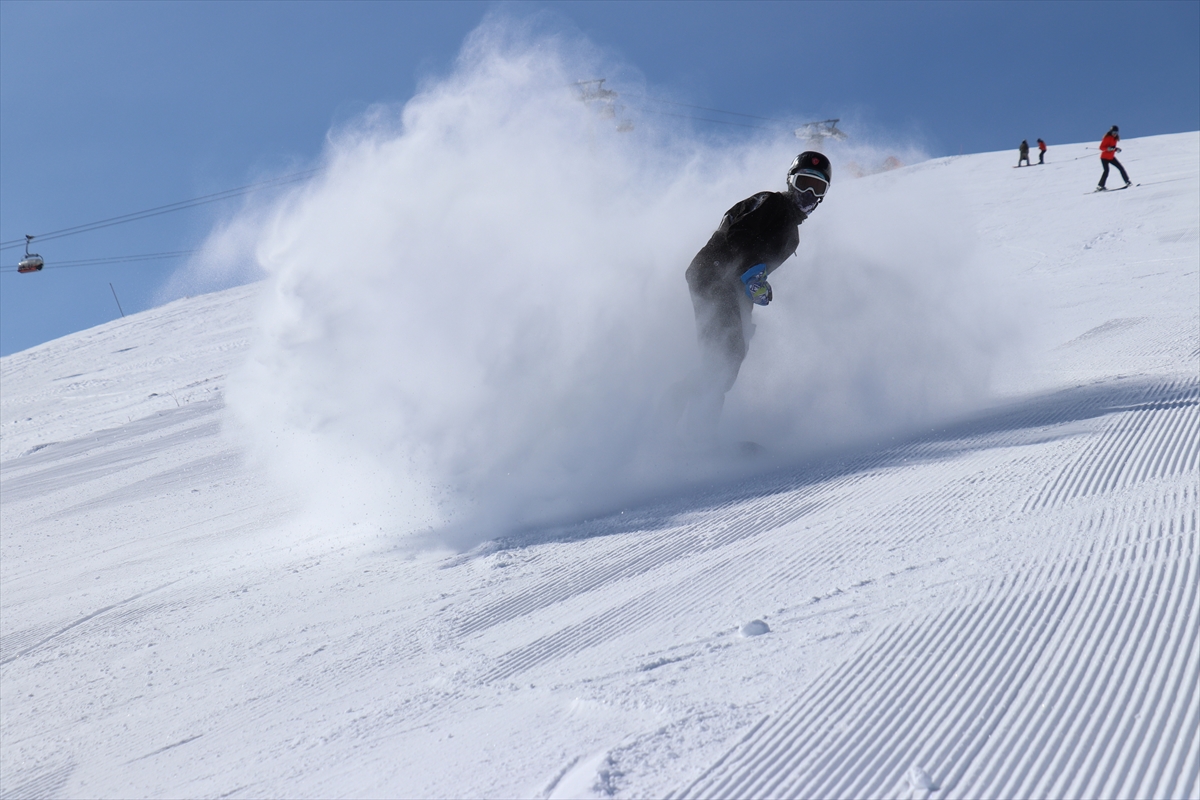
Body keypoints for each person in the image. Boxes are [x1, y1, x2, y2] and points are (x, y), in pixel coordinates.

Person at [676, 151, 831, 435]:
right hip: (713, 275)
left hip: (727, 286)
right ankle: (694, 434)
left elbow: (755, 274)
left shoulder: (792, 235)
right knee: (722, 360)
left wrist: (750, 301)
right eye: (803, 183)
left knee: (730, 358)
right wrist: (751, 273)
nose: (808, 193)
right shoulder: (771, 203)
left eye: (817, 187)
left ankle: (686, 423)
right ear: (790, 182)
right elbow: (737, 232)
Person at [1097, 125, 1131, 190]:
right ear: (1111, 132)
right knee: (1106, 171)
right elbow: (1101, 147)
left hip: (1111, 157)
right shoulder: (1107, 138)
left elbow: (1113, 147)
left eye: (1116, 132)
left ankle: (1127, 182)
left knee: (1121, 168)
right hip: (1104, 157)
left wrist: (1116, 149)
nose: (1115, 134)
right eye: (1113, 132)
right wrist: (1108, 149)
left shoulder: (1115, 139)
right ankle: (1100, 186)